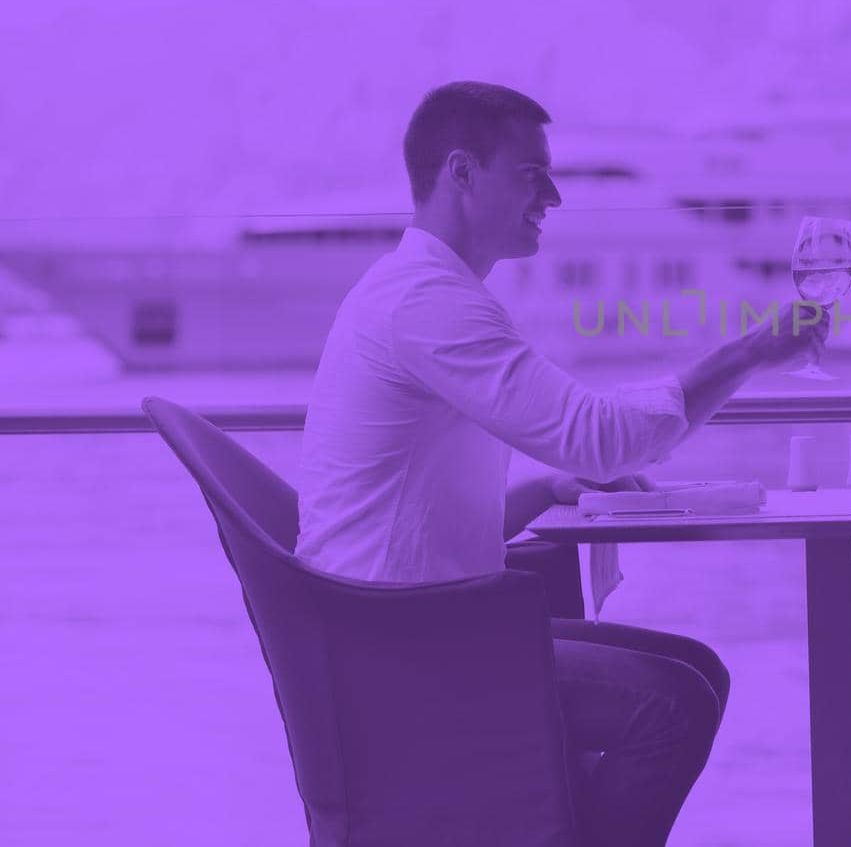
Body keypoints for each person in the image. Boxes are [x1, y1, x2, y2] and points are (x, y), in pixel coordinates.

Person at [298, 80, 824, 846]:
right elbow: (599, 435)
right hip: (404, 648)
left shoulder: (417, 293)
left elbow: (415, 512)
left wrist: (547, 487)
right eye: (531, 172)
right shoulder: (427, 305)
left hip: (401, 621)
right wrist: (751, 351)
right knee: (673, 703)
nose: (554, 194)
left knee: (699, 673)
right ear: (461, 173)